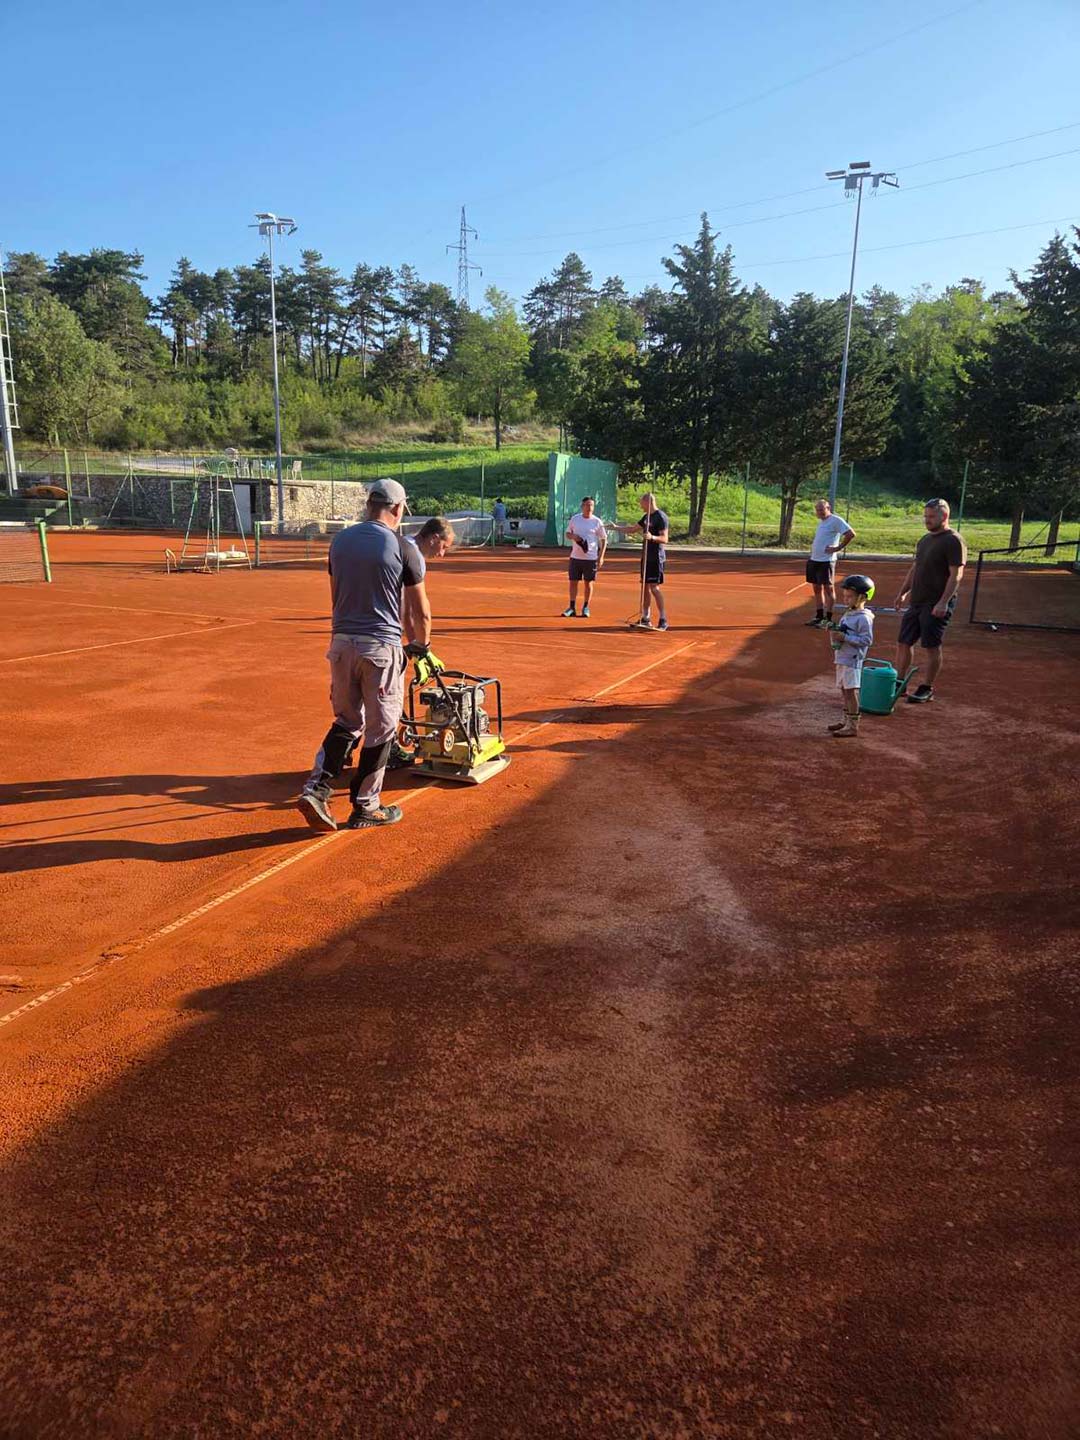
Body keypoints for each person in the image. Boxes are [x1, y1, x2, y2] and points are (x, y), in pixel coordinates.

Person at [297, 478, 432, 833]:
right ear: (398, 509)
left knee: (347, 721)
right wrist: (421, 646)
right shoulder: (402, 547)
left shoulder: (339, 542)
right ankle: (366, 805)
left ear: (369, 504)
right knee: (382, 728)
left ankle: (316, 789)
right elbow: (420, 611)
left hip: (341, 644)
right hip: (380, 648)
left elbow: (335, 596)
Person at [894, 498, 967, 704]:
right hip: (917, 600)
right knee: (904, 642)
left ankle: (927, 688)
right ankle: (899, 683)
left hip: (936, 603)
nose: (927, 520)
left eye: (932, 516)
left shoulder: (953, 541)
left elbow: (956, 575)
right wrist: (902, 592)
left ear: (945, 516)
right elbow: (915, 568)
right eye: (925, 516)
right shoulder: (925, 540)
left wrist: (943, 602)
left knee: (931, 645)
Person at [825, 575, 875, 738]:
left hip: (852, 660)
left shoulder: (863, 618)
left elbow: (867, 640)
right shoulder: (849, 613)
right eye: (845, 596)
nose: (846, 600)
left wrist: (845, 637)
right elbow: (845, 631)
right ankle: (846, 720)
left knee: (851, 692)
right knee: (844, 691)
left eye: (850, 597)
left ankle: (853, 725)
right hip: (842, 657)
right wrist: (835, 630)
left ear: (862, 597)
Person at [805, 499, 856, 627]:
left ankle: (828, 619)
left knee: (829, 589)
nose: (819, 512)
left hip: (826, 561)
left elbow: (851, 534)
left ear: (828, 508)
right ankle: (819, 617)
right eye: (817, 510)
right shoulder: (822, 522)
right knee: (817, 588)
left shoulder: (836, 520)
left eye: (822, 509)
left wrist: (838, 548)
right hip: (814, 559)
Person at [561, 496, 608, 618]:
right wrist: (574, 537)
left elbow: (604, 539)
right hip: (575, 557)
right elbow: (567, 533)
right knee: (573, 582)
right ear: (582, 507)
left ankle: (586, 607)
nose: (589, 507)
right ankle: (571, 608)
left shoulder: (597, 521)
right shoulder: (575, 519)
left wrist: (601, 557)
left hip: (591, 558)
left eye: (591, 505)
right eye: (587, 505)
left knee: (588, 583)